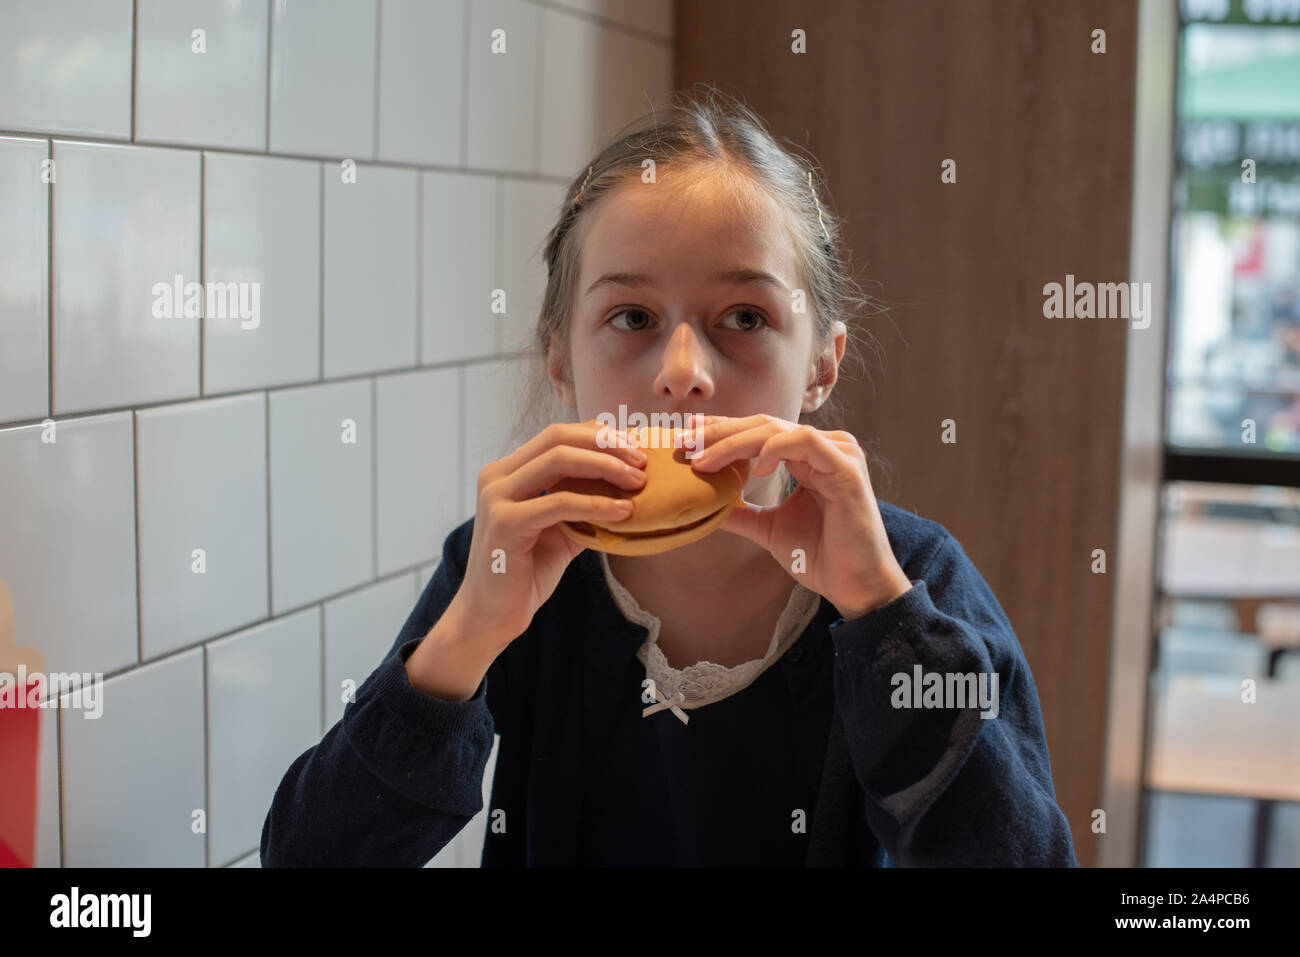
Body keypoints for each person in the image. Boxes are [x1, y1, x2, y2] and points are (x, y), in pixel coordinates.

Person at [261, 84, 1078, 867]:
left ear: (822, 366)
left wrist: (882, 620)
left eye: (746, 318)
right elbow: (304, 855)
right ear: (561, 358)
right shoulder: (512, 559)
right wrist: (468, 638)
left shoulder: (914, 582)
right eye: (632, 318)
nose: (683, 372)